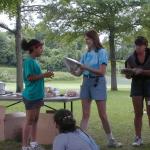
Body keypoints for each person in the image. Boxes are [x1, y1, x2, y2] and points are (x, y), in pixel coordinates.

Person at [71, 30, 122, 148]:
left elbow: (102, 72)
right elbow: (79, 73)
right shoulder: (85, 54)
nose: (86, 40)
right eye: (85, 38)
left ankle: (111, 140)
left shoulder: (102, 52)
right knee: (85, 114)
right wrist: (73, 70)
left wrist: (85, 67)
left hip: (98, 83)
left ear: (94, 39)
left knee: (102, 115)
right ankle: (80, 142)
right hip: (86, 83)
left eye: (88, 38)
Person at [21, 39, 54, 150]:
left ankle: (34, 143)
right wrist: (44, 75)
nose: (42, 50)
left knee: (35, 120)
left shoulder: (34, 61)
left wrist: (45, 75)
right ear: (34, 48)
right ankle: (25, 146)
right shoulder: (28, 61)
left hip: (38, 95)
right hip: (31, 96)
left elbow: (36, 77)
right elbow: (30, 77)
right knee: (29, 120)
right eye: (40, 48)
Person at [125, 36, 150, 147]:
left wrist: (142, 71)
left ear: (145, 46)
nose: (138, 48)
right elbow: (128, 76)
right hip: (136, 87)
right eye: (136, 45)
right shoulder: (130, 58)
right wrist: (128, 73)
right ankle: (138, 138)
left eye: (140, 45)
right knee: (138, 113)